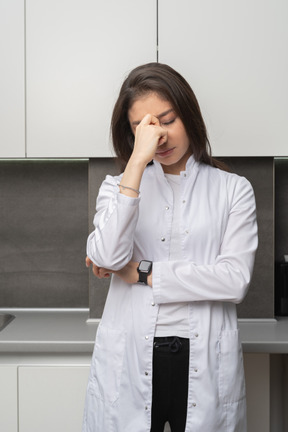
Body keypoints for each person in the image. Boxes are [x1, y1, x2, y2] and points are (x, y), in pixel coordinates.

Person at [83, 63, 258, 432]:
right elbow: (106, 257)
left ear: (189, 115)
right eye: (143, 127)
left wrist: (144, 273)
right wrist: (135, 164)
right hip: (131, 356)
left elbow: (234, 280)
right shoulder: (117, 188)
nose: (158, 136)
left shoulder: (233, 189)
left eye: (167, 120)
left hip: (204, 357)